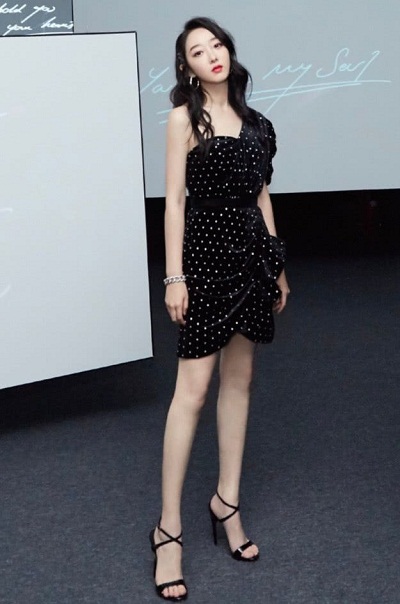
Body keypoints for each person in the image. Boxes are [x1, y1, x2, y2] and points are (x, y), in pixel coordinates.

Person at [149, 16, 290, 601]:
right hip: (205, 263)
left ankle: (226, 502)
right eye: (197, 50)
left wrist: (277, 264)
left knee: (241, 381)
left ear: (229, 52)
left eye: (217, 44)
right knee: (192, 391)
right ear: (186, 67)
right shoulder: (185, 119)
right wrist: (174, 276)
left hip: (251, 259)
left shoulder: (256, 123)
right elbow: (174, 204)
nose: (211, 54)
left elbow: (261, 195)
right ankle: (168, 530)